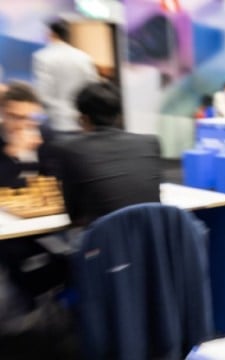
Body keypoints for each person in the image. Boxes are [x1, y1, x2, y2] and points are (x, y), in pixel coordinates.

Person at [51, 82, 162, 227]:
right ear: (119, 116)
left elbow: (74, 215)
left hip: (103, 247)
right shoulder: (150, 142)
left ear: (83, 119)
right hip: (154, 242)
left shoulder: (70, 149)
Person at [0, 82, 66, 316]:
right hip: (10, 232)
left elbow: (56, 181)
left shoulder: (46, 136)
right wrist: (15, 154)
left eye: (30, 117)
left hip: (46, 224)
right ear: (4, 115)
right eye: (15, 117)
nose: (23, 124)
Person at [32, 18, 98, 132]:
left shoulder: (42, 57)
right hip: (82, 120)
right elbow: (93, 87)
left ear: (51, 33)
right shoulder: (84, 57)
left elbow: (42, 93)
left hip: (56, 122)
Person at [0, 81, 56, 187]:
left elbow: (53, 178)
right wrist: (12, 154)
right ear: (2, 112)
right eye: (15, 117)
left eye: (30, 118)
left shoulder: (44, 134)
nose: (21, 125)